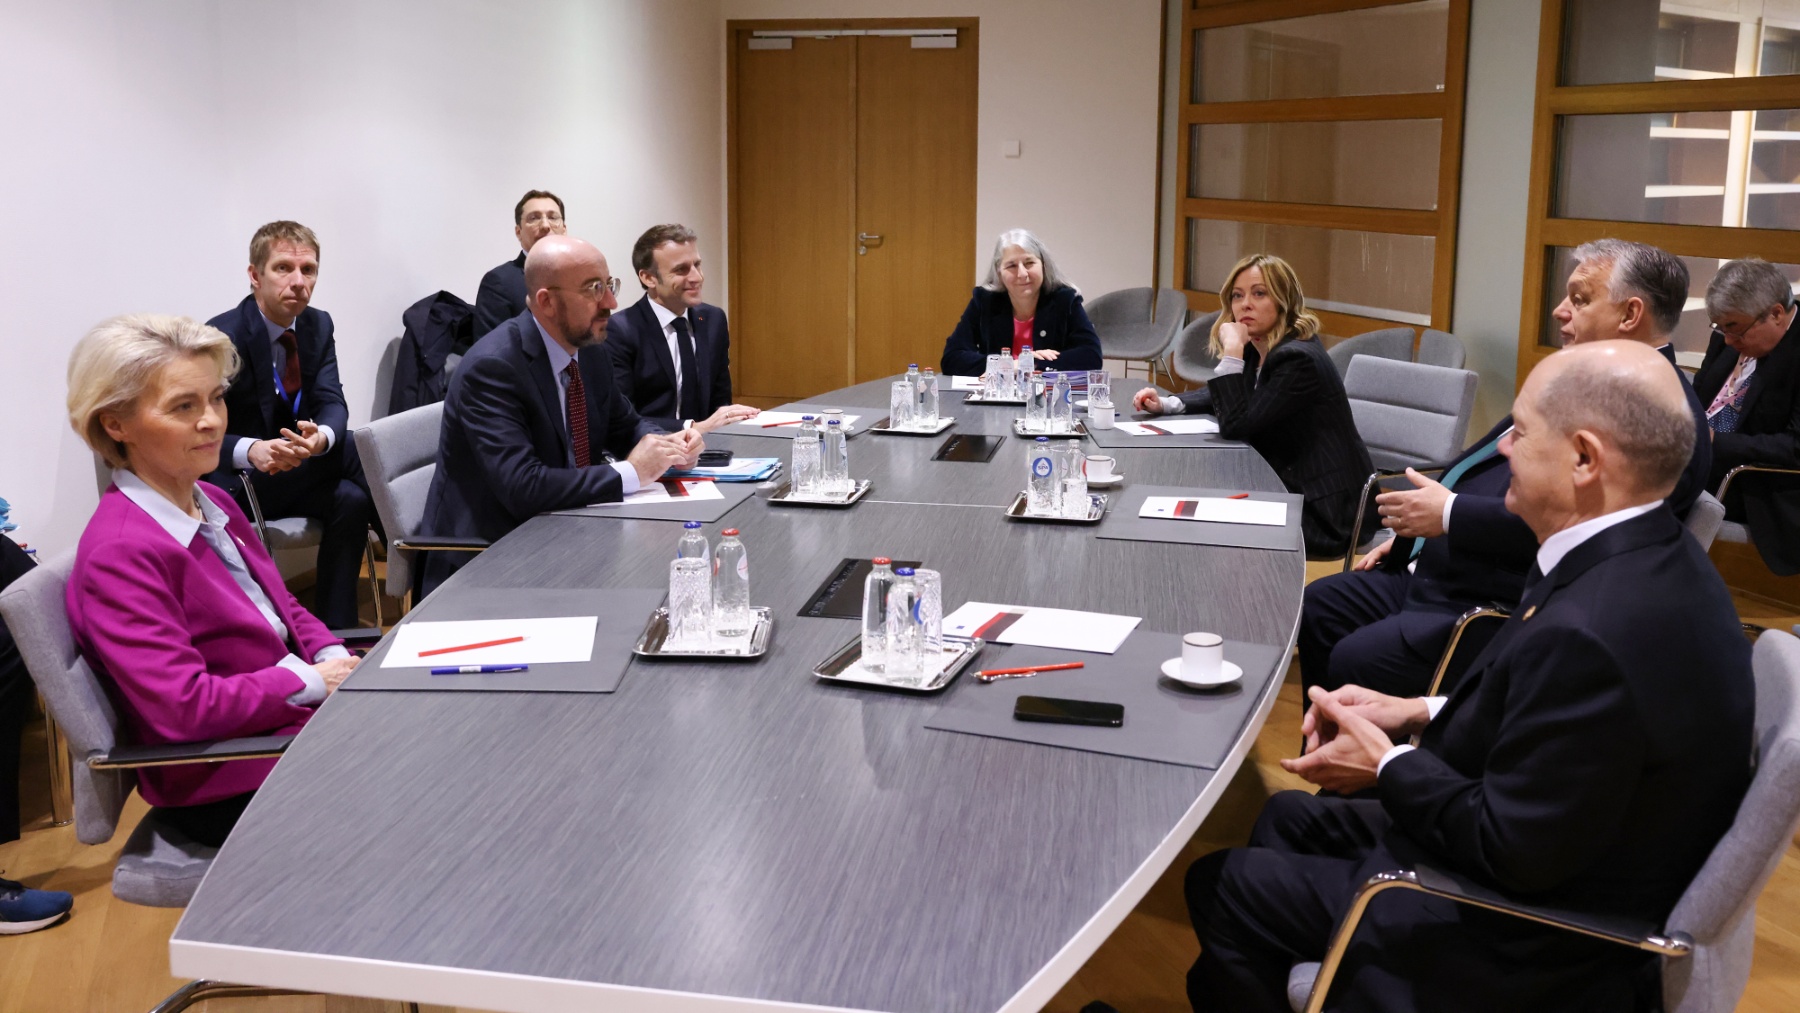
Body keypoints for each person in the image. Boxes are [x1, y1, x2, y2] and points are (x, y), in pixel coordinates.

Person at [1185, 340, 1753, 1013]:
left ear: (1584, 458)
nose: (1505, 449)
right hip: (1544, 857)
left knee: (1223, 884)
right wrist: (1416, 710)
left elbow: (1509, 845)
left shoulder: (1595, 630)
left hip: (1520, 939)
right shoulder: (1639, 556)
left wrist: (1389, 763)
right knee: (1284, 813)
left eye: (1521, 429)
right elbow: (1563, 733)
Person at [1297, 239, 1710, 699]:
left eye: (1579, 299)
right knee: (1319, 606)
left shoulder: (1657, 416)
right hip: (1436, 567)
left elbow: (1579, 529)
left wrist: (1449, 515)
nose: (1558, 311)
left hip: (1490, 601)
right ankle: (1338, 756)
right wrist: (1410, 536)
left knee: (1357, 657)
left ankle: (1389, 760)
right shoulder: (1584, 378)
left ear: (1630, 315)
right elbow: (1479, 462)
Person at [64, 315, 358, 850]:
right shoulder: (122, 552)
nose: (212, 422)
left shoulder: (211, 497)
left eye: (216, 399)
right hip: (231, 770)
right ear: (115, 424)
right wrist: (316, 682)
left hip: (286, 727)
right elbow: (184, 708)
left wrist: (333, 654)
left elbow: (283, 607)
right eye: (183, 406)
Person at [420, 235, 702, 594]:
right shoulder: (493, 368)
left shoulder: (590, 349)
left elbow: (626, 425)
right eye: (594, 290)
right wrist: (633, 471)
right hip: (494, 558)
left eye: (609, 285)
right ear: (547, 302)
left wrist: (667, 445)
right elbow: (524, 486)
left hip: (571, 529)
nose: (611, 303)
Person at [1131, 254, 1373, 557]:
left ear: (1284, 300)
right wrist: (1168, 404)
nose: (1245, 304)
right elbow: (1230, 395)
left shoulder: (1297, 359)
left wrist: (1231, 351)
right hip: (1285, 486)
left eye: (1259, 293)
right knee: (1189, 506)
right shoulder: (1262, 347)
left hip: (1324, 512)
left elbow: (1237, 424)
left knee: (1201, 522)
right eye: (1237, 295)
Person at [205, 221, 378, 630]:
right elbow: (199, 427)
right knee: (361, 450)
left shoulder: (318, 325)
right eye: (283, 268)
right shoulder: (219, 337)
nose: (298, 282)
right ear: (254, 275)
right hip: (241, 484)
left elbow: (332, 400)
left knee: (351, 497)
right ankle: (420, 557)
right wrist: (251, 449)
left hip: (300, 470)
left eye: (309, 270)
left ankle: (339, 631)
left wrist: (321, 440)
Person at [1694, 257, 1800, 574]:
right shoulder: (1732, 332)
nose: (1728, 340)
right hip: (1700, 459)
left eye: (1735, 330)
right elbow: (1698, 399)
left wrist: (1715, 442)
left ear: (1777, 314)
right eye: (1720, 328)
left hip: (1756, 482)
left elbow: (1795, 447)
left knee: (1643, 490)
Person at [606, 224, 759, 432]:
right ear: (648, 278)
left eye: (697, 265)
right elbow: (622, 419)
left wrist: (736, 418)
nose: (696, 277)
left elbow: (720, 401)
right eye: (681, 270)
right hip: (654, 450)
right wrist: (694, 428)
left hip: (711, 449)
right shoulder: (620, 330)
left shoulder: (714, 320)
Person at [939, 229, 1103, 376]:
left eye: (1029, 263)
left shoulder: (1064, 299)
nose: (1022, 273)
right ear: (999, 272)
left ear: (1043, 265)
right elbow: (952, 359)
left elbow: (1091, 356)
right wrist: (1008, 366)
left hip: (1048, 400)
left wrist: (1030, 364)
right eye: (1011, 266)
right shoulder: (984, 300)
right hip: (996, 401)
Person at [475, 189, 567, 338]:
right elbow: (491, 351)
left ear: (564, 229)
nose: (545, 225)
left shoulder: (580, 276)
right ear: (518, 232)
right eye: (534, 218)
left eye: (553, 217)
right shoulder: (499, 282)